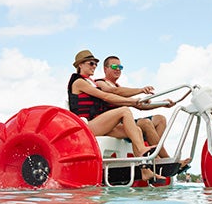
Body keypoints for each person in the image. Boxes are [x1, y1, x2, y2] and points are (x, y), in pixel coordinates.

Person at [67, 50, 160, 181]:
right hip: (85, 127)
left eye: (95, 64)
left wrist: (160, 104)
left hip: (98, 124)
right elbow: (106, 95)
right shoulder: (79, 82)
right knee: (124, 111)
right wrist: (133, 100)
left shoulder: (90, 82)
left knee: (137, 130)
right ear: (80, 65)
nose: (94, 66)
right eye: (91, 63)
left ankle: (145, 171)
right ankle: (141, 149)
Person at [94, 55, 190, 172]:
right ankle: (166, 160)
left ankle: (155, 159)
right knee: (145, 123)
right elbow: (113, 91)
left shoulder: (120, 88)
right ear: (105, 69)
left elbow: (140, 106)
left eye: (120, 67)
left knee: (160, 119)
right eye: (114, 66)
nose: (118, 69)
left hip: (124, 122)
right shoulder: (100, 83)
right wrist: (140, 90)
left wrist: (162, 103)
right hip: (111, 125)